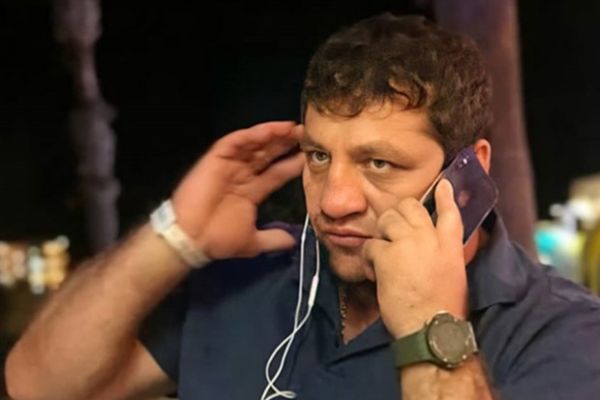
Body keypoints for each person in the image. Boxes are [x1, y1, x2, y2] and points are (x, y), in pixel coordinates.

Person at [6, 13, 600, 400]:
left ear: (471, 169)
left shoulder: (563, 333)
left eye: (379, 163)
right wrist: (174, 236)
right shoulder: (247, 283)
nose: (334, 202)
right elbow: (36, 385)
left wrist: (429, 329)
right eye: (318, 156)